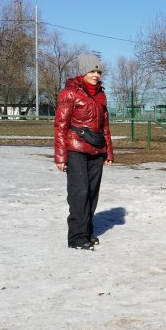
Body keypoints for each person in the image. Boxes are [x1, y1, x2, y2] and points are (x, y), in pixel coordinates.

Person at [54, 53, 114, 251]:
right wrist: (61, 156)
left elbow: (105, 126)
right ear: (83, 71)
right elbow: (60, 125)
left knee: (92, 193)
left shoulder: (101, 95)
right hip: (76, 149)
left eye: (98, 71)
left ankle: (87, 231)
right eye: (92, 71)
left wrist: (109, 152)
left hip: (96, 150)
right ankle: (77, 237)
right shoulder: (69, 93)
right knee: (79, 192)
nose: (96, 74)